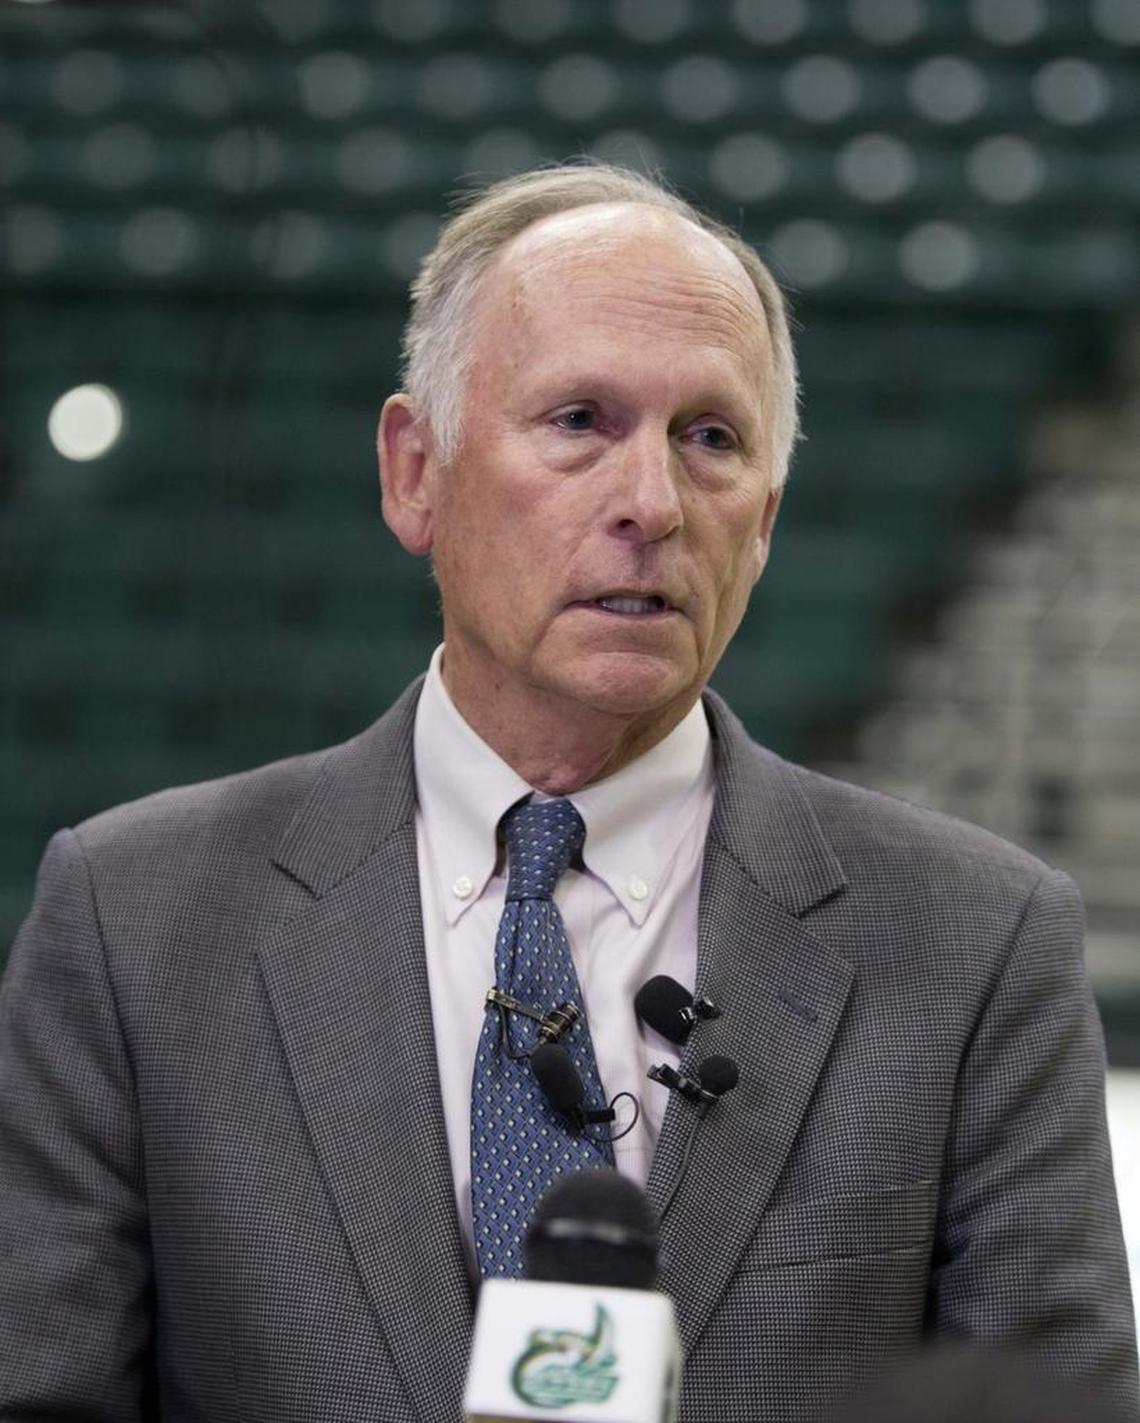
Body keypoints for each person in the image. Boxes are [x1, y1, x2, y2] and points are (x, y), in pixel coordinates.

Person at [0, 162, 1135, 1422]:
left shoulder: (978, 943)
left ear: (763, 522)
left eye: (710, 438)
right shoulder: (132, 924)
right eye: (580, 420)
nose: (650, 503)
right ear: (414, 472)